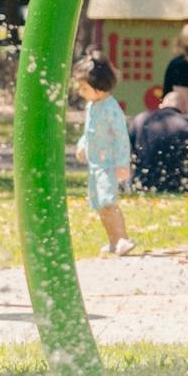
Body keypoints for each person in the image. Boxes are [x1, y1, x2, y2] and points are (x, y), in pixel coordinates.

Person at [73, 54, 134, 257]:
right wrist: (83, 145)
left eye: (84, 88)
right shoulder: (93, 106)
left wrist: (122, 163)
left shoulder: (111, 109)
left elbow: (121, 137)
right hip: (96, 165)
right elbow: (88, 131)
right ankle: (113, 241)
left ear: (99, 86)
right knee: (100, 205)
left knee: (108, 202)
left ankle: (122, 239)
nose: (80, 92)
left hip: (108, 165)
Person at [130, 96, 188, 194]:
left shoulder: (140, 119)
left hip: (142, 185)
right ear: (184, 109)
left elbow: (128, 160)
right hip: (179, 185)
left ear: (161, 105)